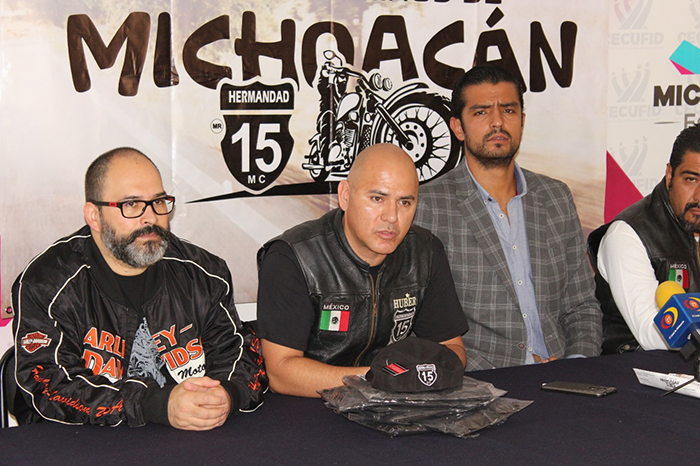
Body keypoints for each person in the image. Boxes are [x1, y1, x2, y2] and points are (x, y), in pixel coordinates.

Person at [12, 147, 266, 429]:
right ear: (94, 216)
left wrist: (226, 395)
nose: (151, 218)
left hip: (190, 439)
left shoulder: (204, 274)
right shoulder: (47, 285)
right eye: (131, 204)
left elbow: (239, 353)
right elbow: (48, 383)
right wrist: (155, 405)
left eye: (158, 202)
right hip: (84, 442)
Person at [413, 65, 602, 371]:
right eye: (481, 112)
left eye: (509, 110)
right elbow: (419, 324)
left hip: (562, 374)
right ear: (458, 127)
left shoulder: (556, 197)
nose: (498, 121)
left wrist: (575, 363)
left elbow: (581, 305)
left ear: (522, 121)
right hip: (479, 381)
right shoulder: (428, 206)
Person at [257, 144, 469, 397]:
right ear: (345, 195)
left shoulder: (425, 252)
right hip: (310, 405)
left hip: (395, 401)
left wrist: (414, 376)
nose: (392, 216)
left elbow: (452, 349)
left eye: (404, 202)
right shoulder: (292, 256)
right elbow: (281, 373)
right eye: (377, 199)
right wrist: (378, 378)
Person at [589, 125, 700, 353]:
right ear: (670, 175)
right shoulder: (627, 234)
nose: (699, 196)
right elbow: (653, 334)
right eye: (691, 179)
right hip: (635, 369)